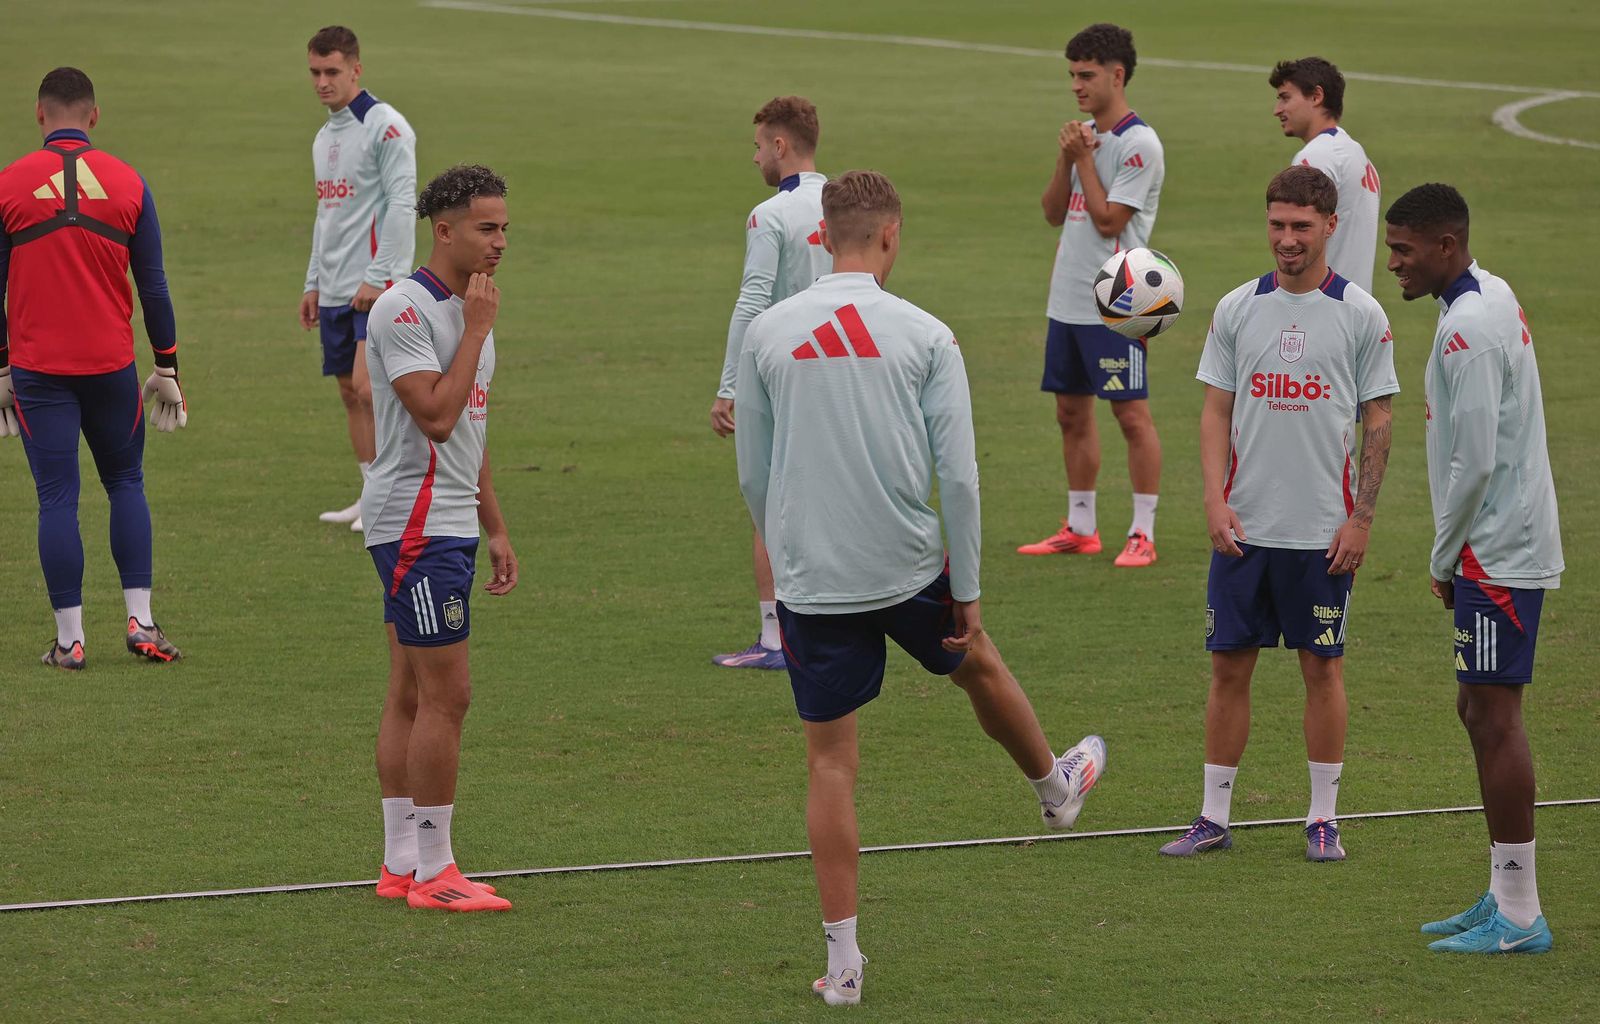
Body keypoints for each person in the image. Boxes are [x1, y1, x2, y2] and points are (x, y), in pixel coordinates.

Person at [736, 170, 1106, 1005]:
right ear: (892, 237)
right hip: (904, 564)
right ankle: (1055, 787)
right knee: (977, 663)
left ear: (821, 237)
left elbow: (753, 473)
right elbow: (962, 479)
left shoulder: (767, 333)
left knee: (831, 765)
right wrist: (968, 587)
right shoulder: (928, 335)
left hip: (813, 577)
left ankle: (843, 966)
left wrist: (790, 549)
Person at [1161, 166, 1397, 861]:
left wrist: (1363, 519)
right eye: (1277, 225)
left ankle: (1322, 817)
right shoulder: (1238, 308)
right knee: (1227, 668)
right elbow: (1215, 409)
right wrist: (1212, 498)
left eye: (1300, 226)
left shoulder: (1361, 314)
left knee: (1322, 669)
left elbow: (1378, 418)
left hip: (1323, 532)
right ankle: (1212, 817)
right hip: (1244, 531)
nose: (1287, 239)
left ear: (1329, 227)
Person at [1385, 183, 1562, 954]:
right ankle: (1501, 892)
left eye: (1403, 250)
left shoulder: (1469, 331)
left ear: (1445, 247)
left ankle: (1522, 914)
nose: (1393, 263)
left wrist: (1443, 551)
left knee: (1496, 719)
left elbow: (1476, 461)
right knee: (1475, 710)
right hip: (1497, 545)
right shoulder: (1488, 294)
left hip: (1497, 553)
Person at [363, 165, 516, 912]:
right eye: (486, 228)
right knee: (447, 697)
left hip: (448, 521)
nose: (499, 243)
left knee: (410, 692)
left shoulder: (469, 306)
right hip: (418, 527)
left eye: (506, 229)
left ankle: (401, 864)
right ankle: (436, 872)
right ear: (444, 228)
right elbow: (436, 416)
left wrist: (494, 525)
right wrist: (478, 331)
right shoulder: (405, 310)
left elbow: (472, 430)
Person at [0, 66, 187, 669]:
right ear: (94, 116)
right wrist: (167, 367)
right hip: (111, 369)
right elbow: (153, 286)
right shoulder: (129, 182)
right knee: (125, 484)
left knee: (57, 497)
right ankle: (142, 621)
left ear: (39, 114)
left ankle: (70, 640)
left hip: (38, 371)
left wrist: (2, 371)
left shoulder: (9, 185)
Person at [1020, 22, 1165, 567]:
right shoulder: (1082, 134)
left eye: (1086, 75)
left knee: (1131, 415)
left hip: (1120, 301)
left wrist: (1083, 157)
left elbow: (1109, 221)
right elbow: (1054, 212)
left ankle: (1142, 532)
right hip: (1067, 300)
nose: (1076, 85)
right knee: (1070, 413)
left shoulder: (1138, 144)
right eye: (1072, 75)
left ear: (1117, 75)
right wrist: (1066, 157)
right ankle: (1081, 526)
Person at [709, 96, 831, 670]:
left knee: (767, 499)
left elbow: (753, 300)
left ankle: (776, 639)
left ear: (780, 146)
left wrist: (728, 385)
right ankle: (834, 623)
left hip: (780, 374)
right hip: (843, 368)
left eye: (759, 145)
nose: (755, 156)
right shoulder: (843, 203)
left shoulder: (769, 214)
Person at [300, 25, 416, 534]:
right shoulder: (325, 136)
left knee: (373, 391)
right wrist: (313, 282)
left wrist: (381, 277)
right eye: (315, 72)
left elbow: (403, 203)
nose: (323, 82)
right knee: (350, 392)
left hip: (376, 286)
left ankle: (398, 492)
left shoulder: (386, 127)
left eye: (332, 72)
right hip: (335, 286)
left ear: (355, 69)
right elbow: (327, 213)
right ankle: (371, 494)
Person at [1270, 56, 1381, 293]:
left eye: (1285, 98)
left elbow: (1297, 244)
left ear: (1316, 96)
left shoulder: (1316, 157)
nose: (1277, 110)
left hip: (1324, 304)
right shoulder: (1355, 152)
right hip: (1356, 301)